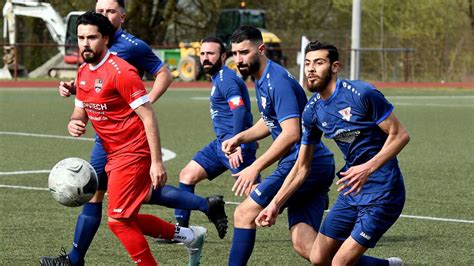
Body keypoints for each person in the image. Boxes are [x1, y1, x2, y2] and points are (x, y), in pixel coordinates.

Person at [40, 9, 227, 266]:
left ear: (106, 38)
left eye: (91, 37)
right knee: (127, 216)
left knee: (118, 220)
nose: (85, 43)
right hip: (111, 151)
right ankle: (189, 234)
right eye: (81, 37)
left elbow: (148, 116)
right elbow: (80, 108)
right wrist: (75, 121)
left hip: (132, 151)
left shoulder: (121, 72)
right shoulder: (84, 71)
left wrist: (157, 162)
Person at [256, 41, 409, 266]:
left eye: (318, 63)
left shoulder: (362, 94)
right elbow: (302, 166)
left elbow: (400, 135)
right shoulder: (312, 111)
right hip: (352, 190)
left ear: (334, 67)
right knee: (319, 258)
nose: (310, 69)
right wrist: (275, 204)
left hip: (383, 192)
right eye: (307, 63)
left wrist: (368, 167)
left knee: (339, 263)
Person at [221, 26, 336, 265]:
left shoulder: (277, 80)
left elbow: (291, 133)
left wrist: (256, 166)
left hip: (305, 163)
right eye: (235, 53)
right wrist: (240, 137)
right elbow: (271, 120)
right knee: (308, 247)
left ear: (261, 49)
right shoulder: (262, 78)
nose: (239, 59)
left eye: (244, 52)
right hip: (312, 163)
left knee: (243, 214)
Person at [173, 36, 257, 236]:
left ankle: (299, 197)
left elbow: (239, 111)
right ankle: (182, 231)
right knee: (187, 175)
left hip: (234, 147)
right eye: (202, 54)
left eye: (211, 53)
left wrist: (238, 144)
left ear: (223, 56)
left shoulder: (226, 79)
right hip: (221, 145)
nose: (205, 58)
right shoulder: (218, 78)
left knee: (255, 192)